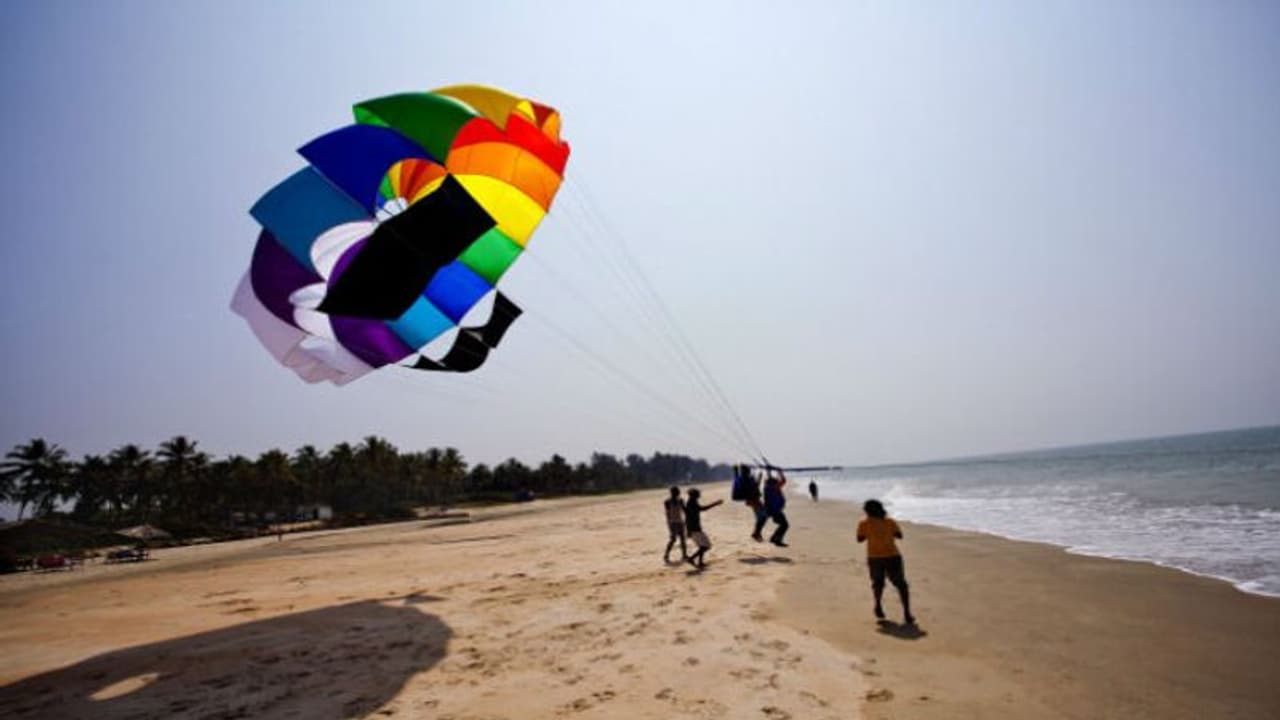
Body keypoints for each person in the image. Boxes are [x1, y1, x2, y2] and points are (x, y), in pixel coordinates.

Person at [856, 499, 914, 625]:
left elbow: (859, 539)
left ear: (867, 511)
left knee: (878, 583)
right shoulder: (890, 522)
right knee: (901, 585)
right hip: (893, 556)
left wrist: (871, 533)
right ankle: (907, 613)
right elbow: (899, 536)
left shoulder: (864, 524)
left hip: (875, 557)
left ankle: (878, 605)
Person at [683, 488, 723, 569]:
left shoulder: (691, 502)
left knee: (702, 546)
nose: (700, 495)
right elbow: (702, 509)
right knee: (706, 546)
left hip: (693, 528)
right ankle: (691, 559)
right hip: (695, 528)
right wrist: (715, 503)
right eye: (698, 494)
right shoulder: (692, 503)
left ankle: (700, 562)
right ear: (694, 495)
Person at [763, 471, 789, 547]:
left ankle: (774, 538)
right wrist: (780, 473)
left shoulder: (767, 487)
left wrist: (771, 474)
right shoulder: (773, 487)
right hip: (775, 510)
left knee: (783, 525)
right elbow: (783, 481)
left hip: (772, 510)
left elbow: (774, 481)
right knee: (785, 525)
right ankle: (777, 540)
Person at [663, 486, 688, 564]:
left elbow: (684, 510)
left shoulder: (680, 500)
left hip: (680, 521)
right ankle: (666, 555)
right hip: (673, 522)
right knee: (673, 539)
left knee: (682, 539)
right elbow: (667, 514)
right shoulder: (667, 502)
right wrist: (669, 525)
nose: (676, 494)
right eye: (675, 492)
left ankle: (684, 555)